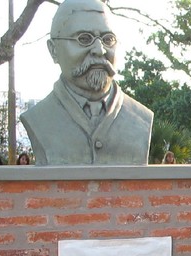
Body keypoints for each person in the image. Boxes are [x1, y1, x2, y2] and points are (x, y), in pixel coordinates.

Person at [19, 0, 153, 165]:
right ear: (53, 50)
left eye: (108, 39)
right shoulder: (38, 118)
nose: (99, 50)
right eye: (84, 38)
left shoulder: (141, 119)